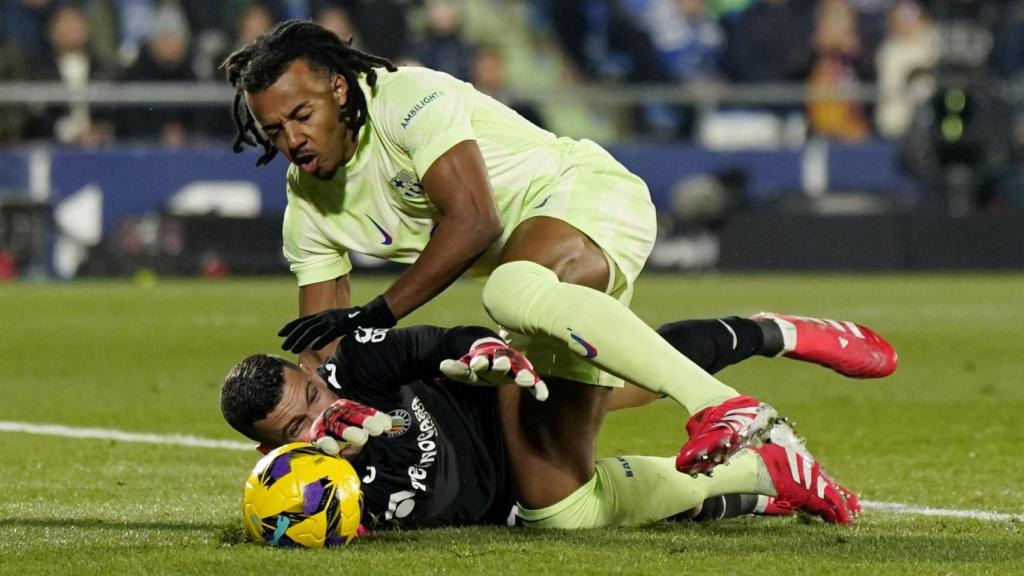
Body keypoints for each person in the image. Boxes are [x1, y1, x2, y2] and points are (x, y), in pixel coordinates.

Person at [221, 21, 896, 487]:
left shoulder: (405, 99)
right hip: (537, 273)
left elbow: (475, 221)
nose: (292, 139)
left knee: (508, 291)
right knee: (556, 488)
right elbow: (323, 353)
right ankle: (767, 368)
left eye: (301, 116)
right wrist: (319, 424)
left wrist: (380, 313)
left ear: (338, 89)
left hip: (588, 196)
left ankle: (722, 406)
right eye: (275, 130)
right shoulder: (307, 206)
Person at [221, 312, 882, 532]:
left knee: (633, 378)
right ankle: (763, 481)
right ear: (268, 451)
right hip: (502, 501)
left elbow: (437, 342)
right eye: (296, 428)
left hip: (508, 406)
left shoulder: (358, 365)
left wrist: (482, 349)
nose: (320, 417)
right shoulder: (306, 492)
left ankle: (771, 332)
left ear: (312, 373)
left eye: (312, 396)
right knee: (578, 515)